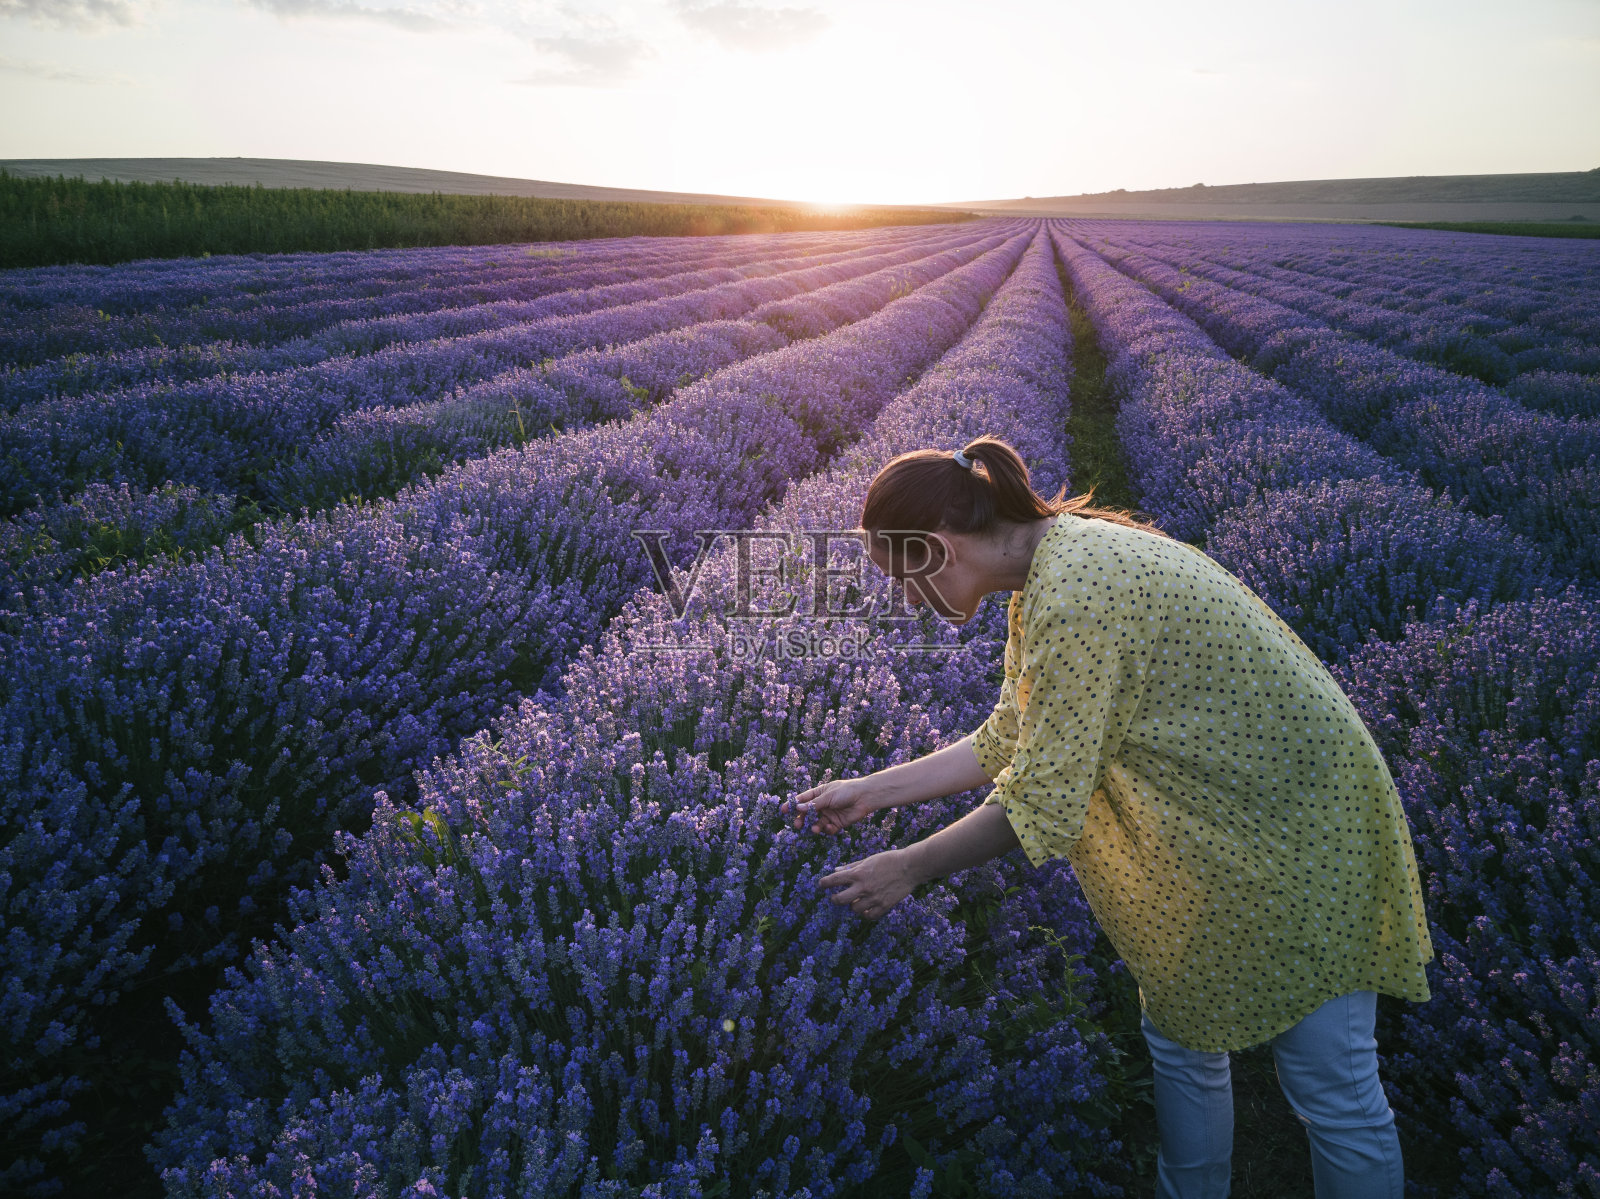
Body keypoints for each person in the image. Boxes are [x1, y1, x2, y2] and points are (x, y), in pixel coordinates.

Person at [777, 436, 1434, 1199]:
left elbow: (1041, 803)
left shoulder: (1076, 593)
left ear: (940, 547)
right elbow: (1011, 735)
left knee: (1331, 1082)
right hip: (1219, 832)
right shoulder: (1048, 571)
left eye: (903, 576)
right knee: (1182, 1039)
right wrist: (872, 790)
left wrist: (908, 867)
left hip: (1303, 828)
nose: (905, 599)